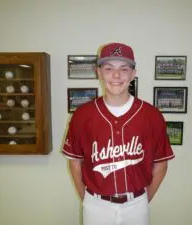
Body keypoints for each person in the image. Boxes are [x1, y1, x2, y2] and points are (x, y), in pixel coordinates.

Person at [62, 42, 175, 225]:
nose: (116, 75)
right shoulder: (82, 115)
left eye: (124, 69)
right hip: (96, 204)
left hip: (136, 203)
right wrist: (89, 201)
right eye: (108, 68)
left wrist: (143, 200)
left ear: (133, 73)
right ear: (99, 72)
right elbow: (75, 163)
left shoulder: (152, 115)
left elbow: (161, 164)